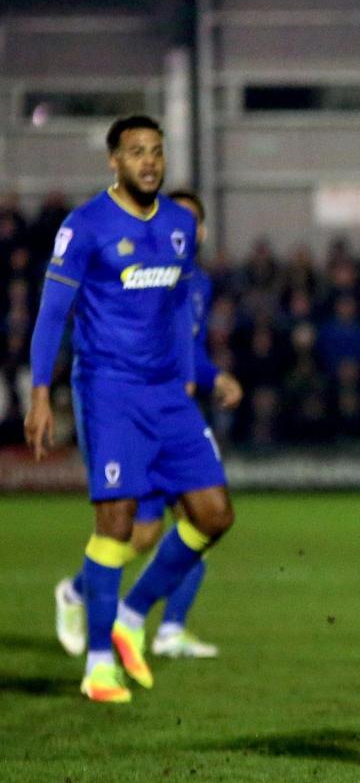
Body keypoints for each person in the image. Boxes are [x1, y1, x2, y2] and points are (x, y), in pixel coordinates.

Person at [25, 115, 236, 703]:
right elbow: (51, 314)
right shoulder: (85, 225)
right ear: (113, 162)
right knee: (119, 524)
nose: (150, 161)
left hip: (168, 392)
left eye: (158, 151)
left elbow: (177, 314)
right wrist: (42, 392)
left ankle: (132, 614)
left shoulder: (178, 225)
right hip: (109, 390)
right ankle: (97, 665)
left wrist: (193, 375)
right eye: (137, 151)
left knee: (213, 515)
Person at [53, 189, 242, 662]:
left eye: (195, 222)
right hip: (129, 408)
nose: (189, 229)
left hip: (172, 413)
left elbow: (187, 347)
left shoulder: (196, 285)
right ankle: (80, 597)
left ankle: (164, 627)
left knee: (197, 519)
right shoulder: (138, 275)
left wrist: (212, 376)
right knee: (141, 533)